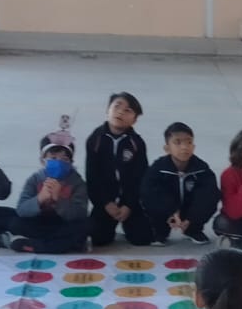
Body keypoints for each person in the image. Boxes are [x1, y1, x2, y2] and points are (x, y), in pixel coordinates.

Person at [85, 92, 152, 248]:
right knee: (99, 239)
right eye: (117, 106)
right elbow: (92, 177)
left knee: (142, 238)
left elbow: (140, 177)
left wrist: (129, 205)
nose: (121, 112)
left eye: (128, 110)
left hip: (128, 201)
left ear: (135, 120)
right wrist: (105, 203)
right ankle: (108, 224)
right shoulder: (95, 140)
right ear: (107, 110)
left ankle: (130, 222)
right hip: (105, 201)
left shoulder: (137, 143)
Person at [11, 128, 90, 254]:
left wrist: (58, 199)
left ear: (71, 163)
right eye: (53, 157)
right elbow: (21, 209)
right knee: (15, 222)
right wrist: (40, 199)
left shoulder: (77, 182)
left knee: (86, 225)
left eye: (64, 159)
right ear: (43, 161)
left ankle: (33, 245)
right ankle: (58, 245)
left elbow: (80, 213)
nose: (58, 162)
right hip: (40, 223)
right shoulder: (35, 180)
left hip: (63, 224)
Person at [142, 122, 219, 245]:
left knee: (209, 198)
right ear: (167, 148)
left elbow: (208, 196)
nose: (184, 147)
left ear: (193, 146)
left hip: (190, 211)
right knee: (152, 201)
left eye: (188, 142)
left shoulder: (202, 170)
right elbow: (149, 195)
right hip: (168, 211)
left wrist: (192, 218)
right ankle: (160, 231)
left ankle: (193, 230)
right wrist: (171, 212)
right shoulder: (157, 169)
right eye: (177, 142)